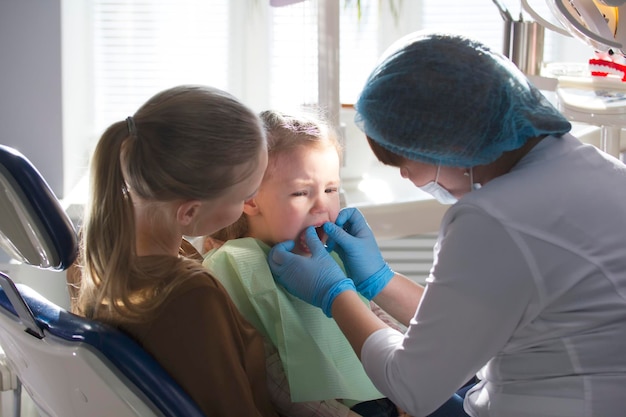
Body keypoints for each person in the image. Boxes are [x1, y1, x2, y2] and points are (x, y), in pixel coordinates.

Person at [267, 31, 626, 417]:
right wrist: (380, 281)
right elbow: (470, 321)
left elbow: (413, 386)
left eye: (404, 159)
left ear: (450, 142)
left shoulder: (494, 218)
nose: (405, 175)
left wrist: (335, 294)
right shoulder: (597, 169)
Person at [68, 85, 279, 416]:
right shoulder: (190, 295)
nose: (248, 205)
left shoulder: (104, 257)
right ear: (189, 213)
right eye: (245, 196)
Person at [201, 109, 406, 417]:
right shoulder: (235, 264)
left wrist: (409, 386)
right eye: (301, 192)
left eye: (331, 189)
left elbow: (377, 319)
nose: (322, 205)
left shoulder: (334, 252)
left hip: (395, 392)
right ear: (250, 199)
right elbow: (274, 382)